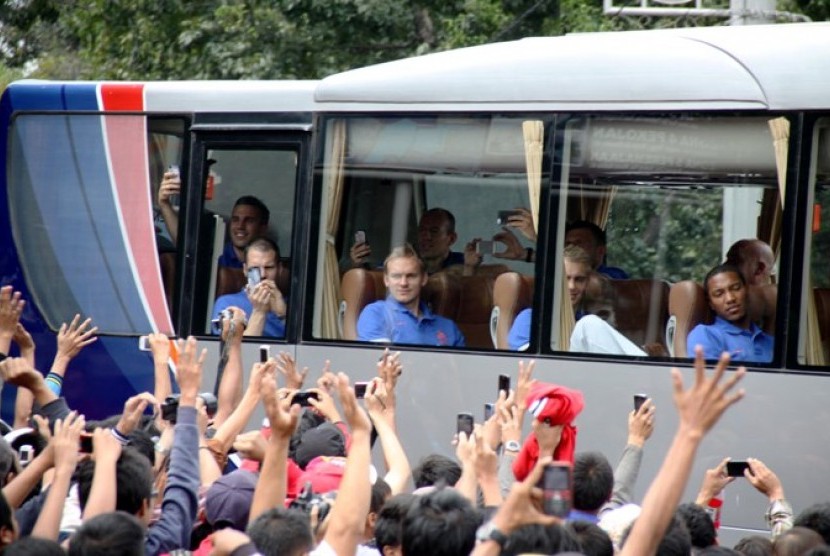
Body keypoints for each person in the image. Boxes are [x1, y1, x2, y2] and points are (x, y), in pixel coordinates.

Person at [507, 245, 644, 355]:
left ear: (587, 283)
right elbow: (528, 367)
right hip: (553, 383)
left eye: (579, 279)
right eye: (565, 278)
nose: (572, 286)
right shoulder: (530, 319)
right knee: (588, 324)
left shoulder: (585, 317)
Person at [157, 168, 270, 270]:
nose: (240, 226)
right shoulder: (216, 256)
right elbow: (186, 247)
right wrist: (164, 203)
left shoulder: (268, 263)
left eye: (249, 221)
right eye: (235, 219)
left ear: (263, 228)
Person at [356, 245, 465, 347]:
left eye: (411, 276)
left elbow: (463, 366)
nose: (403, 283)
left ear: (423, 279)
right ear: (386, 280)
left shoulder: (448, 327)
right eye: (396, 276)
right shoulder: (376, 314)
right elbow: (382, 361)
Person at [350, 208, 478, 276]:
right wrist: (358, 264)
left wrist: (470, 268)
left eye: (434, 231)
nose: (426, 236)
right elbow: (378, 276)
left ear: (451, 238)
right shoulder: (407, 260)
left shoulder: (462, 262)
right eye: (422, 230)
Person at [686, 264, 774, 363]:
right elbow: (709, 377)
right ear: (711, 304)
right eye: (719, 294)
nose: (730, 299)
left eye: (736, 288)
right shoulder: (706, 334)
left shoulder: (769, 342)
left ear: (747, 291)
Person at [211, 237, 287, 338]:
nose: (263, 274)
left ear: (280, 269)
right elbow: (232, 350)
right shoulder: (227, 304)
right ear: (245, 270)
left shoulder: (291, 306)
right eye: (255, 269)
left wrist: (283, 315)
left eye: (269, 267)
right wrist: (259, 311)